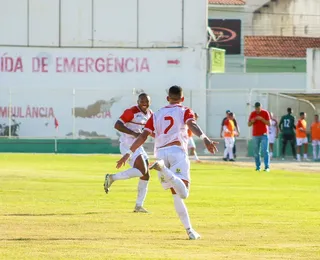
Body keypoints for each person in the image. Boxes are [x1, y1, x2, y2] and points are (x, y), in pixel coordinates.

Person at [107, 85, 218, 240]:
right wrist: (204, 138)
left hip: (160, 154)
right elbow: (192, 124)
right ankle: (164, 170)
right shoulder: (185, 110)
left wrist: (129, 153)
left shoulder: (156, 114)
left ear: (167, 98)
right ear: (183, 98)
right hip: (177, 152)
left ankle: (190, 230)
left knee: (175, 195)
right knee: (183, 194)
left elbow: (143, 136)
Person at [104, 93, 152, 213]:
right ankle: (112, 177)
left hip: (138, 144)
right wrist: (134, 133)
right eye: (142, 101)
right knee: (142, 170)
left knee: (146, 175)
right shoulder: (131, 112)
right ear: (138, 101)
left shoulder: (150, 114)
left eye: (146, 101)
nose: (144, 103)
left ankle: (138, 206)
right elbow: (117, 125)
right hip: (127, 144)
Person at [248, 102, 271, 172]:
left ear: (261, 107)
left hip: (264, 134)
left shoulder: (265, 113)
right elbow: (249, 124)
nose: (257, 110)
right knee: (256, 152)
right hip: (255, 135)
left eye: (258, 108)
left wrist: (261, 119)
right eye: (256, 108)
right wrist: (252, 121)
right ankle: (258, 167)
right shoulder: (252, 114)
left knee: (265, 151)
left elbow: (269, 123)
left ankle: (267, 167)